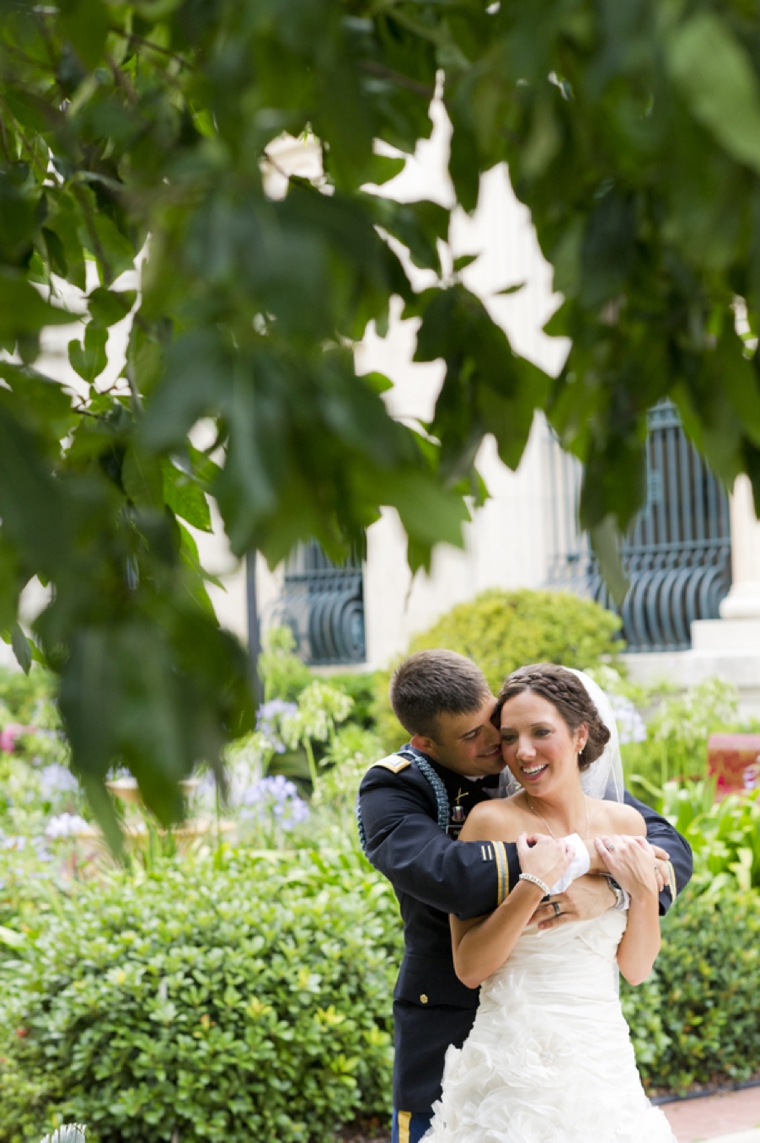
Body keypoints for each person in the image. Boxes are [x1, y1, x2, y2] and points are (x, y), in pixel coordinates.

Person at [357, 651, 692, 1143]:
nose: (503, 745)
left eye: (494, 721)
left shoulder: (547, 764)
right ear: (426, 744)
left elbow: (667, 850)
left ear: (579, 736)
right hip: (455, 1011)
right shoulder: (396, 785)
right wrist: (580, 860)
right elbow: (447, 873)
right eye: (478, 736)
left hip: (592, 1048)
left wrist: (616, 891)